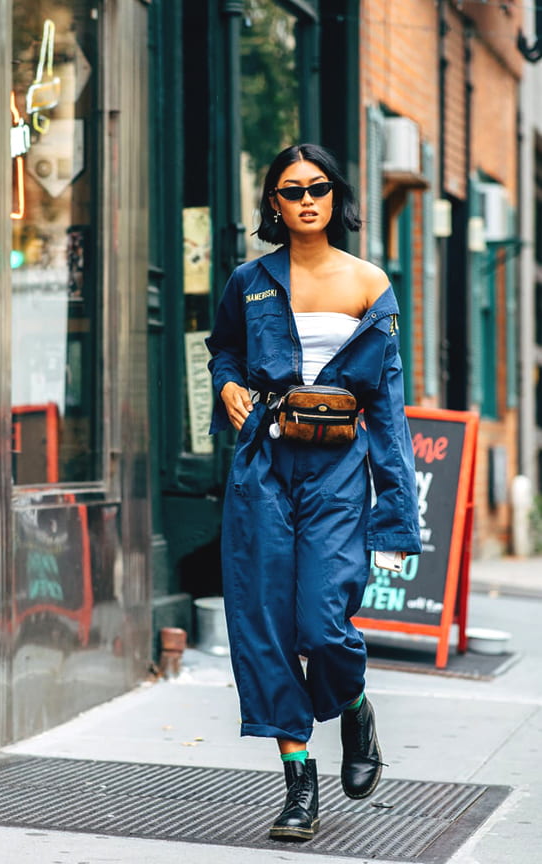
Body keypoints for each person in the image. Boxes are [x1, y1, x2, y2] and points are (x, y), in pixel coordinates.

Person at [206, 143, 421, 842]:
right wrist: (228, 385)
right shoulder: (251, 280)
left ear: (336, 198)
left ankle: (354, 708)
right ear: (272, 202)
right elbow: (225, 350)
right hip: (264, 466)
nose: (306, 199)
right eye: (291, 189)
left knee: (322, 625)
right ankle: (300, 783)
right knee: (265, 624)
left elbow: (386, 404)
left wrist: (395, 513)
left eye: (319, 187)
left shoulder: (368, 283)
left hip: (335, 471)